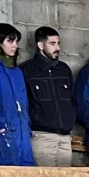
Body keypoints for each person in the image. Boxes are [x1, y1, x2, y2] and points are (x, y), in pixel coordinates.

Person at [20, 26, 76, 167]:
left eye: (58, 43)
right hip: (42, 137)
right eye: (52, 43)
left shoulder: (64, 69)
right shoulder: (27, 70)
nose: (57, 47)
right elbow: (23, 104)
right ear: (40, 45)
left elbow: (72, 100)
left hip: (65, 137)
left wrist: (70, 119)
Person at [0, 23, 34, 166]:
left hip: (22, 134)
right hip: (2, 135)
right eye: (10, 41)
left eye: (16, 41)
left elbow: (24, 104)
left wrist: (27, 127)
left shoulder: (17, 71)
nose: (15, 45)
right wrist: (0, 125)